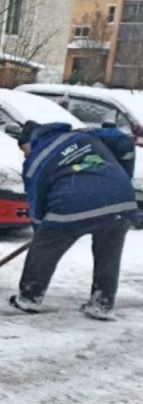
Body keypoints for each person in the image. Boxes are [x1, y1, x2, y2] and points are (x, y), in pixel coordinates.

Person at [9, 120, 139, 319]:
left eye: (23, 149)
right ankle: (102, 304)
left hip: (72, 204)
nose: (24, 154)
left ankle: (29, 298)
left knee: (43, 250)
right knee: (109, 254)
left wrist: (41, 234)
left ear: (31, 141)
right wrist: (121, 176)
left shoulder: (35, 160)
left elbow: (36, 201)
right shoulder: (85, 135)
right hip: (121, 201)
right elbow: (123, 141)